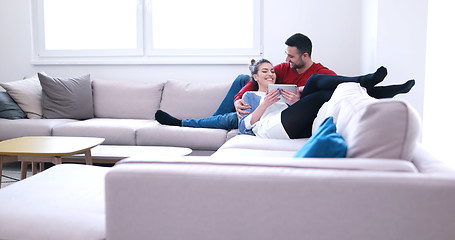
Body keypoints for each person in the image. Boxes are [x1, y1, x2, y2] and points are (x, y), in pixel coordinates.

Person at [156, 33, 336, 129]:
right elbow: (255, 79)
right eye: (286, 55)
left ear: (305, 55)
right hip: (261, 107)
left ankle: (200, 123)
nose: (287, 60)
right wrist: (238, 99)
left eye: (291, 56)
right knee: (243, 79)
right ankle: (211, 122)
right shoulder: (283, 68)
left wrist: (302, 92)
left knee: (230, 120)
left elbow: (329, 92)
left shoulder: (322, 74)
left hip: (279, 116)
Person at [239, 59, 415, 139]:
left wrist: (294, 102)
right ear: (255, 77)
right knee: (320, 94)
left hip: (293, 124)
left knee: (315, 81)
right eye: (265, 71)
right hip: (272, 128)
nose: (270, 74)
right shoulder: (250, 96)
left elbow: (298, 112)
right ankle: (369, 86)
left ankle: (371, 86)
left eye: (272, 71)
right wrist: (265, 104)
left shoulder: (282, 90)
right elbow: (243, 128)